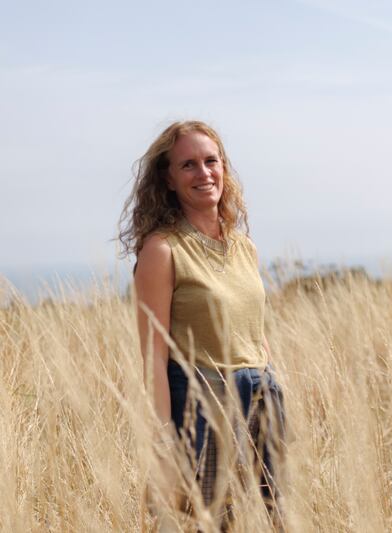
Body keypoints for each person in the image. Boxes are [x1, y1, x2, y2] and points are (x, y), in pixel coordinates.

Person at [118, 121, 286, 529]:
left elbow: (253, 324)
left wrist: (266, 374)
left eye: (211, 161)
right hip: (203, 404)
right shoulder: (163, 250)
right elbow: (153, 354)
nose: (204, 173)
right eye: (188, 165)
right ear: (169, 179)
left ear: (224, 168)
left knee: (272, 518)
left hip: (259, 396)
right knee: (210, 522)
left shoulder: (245, 247)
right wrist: (164, 441)